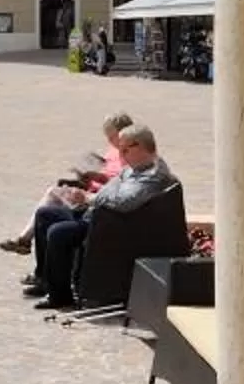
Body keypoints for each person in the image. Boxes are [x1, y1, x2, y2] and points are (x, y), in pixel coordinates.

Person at [29, 126, 174, 311]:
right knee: (45, 214)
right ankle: (45, 280)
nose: (121, 154)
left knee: (58, 233)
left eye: (125, 149)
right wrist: (88, 194)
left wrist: (89, 199)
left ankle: (60, 296)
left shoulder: (152, 176)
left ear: (140, 146)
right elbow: (113, 189)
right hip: (100, 215)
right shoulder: (137, 168)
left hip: (111, 226)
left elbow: (124, 201)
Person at [1, 112, 134, 255]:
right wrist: (86, 177)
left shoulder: (131, 156)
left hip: (96, 201)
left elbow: (120, 184)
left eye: (112, 136)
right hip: (88, 191)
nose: (109, 140)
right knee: (48, 203)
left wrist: (98, 178)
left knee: (50, 203)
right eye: (108, 136)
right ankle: (25, 241)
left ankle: (25, 240)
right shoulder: (113, 150)